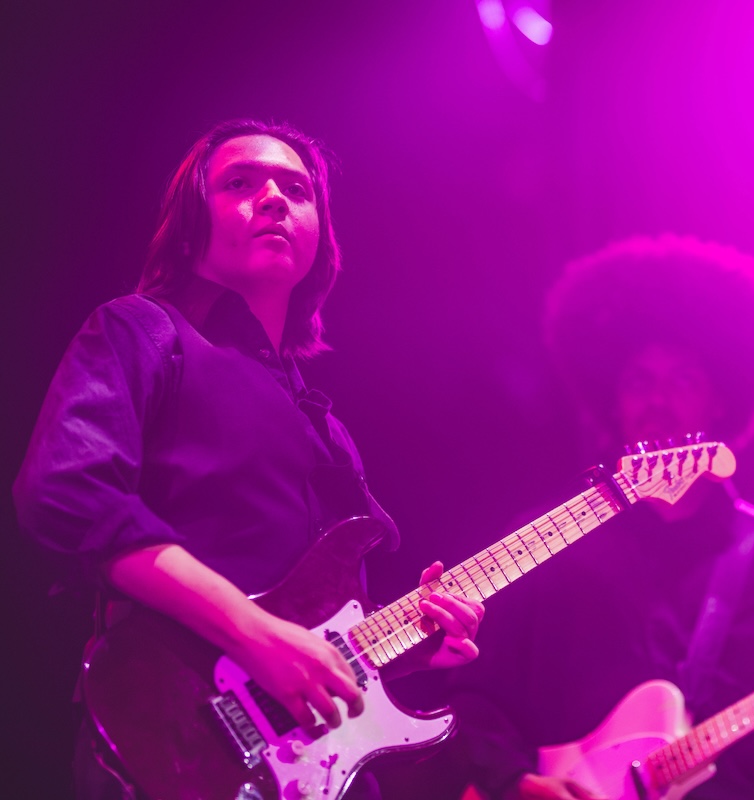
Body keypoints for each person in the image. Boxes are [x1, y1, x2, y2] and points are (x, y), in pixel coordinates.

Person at [12, 119, 485, 800]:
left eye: (295, 188)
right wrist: (254, 633)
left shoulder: (327, 428)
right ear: (189, 223)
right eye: (240, 183)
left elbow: (320, 628)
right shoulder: (142, 329)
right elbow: (66, 493)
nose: (272, 198)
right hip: (175, 744)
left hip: (318, 766)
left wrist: (410, 644)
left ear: (320, 235)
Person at [442, 234, 754, 800]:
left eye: (682, 379)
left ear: (720, 399)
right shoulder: (548, 541)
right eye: (638, 381)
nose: (657, 400)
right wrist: (514, 785)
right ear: (613, 400)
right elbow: (478, 695)